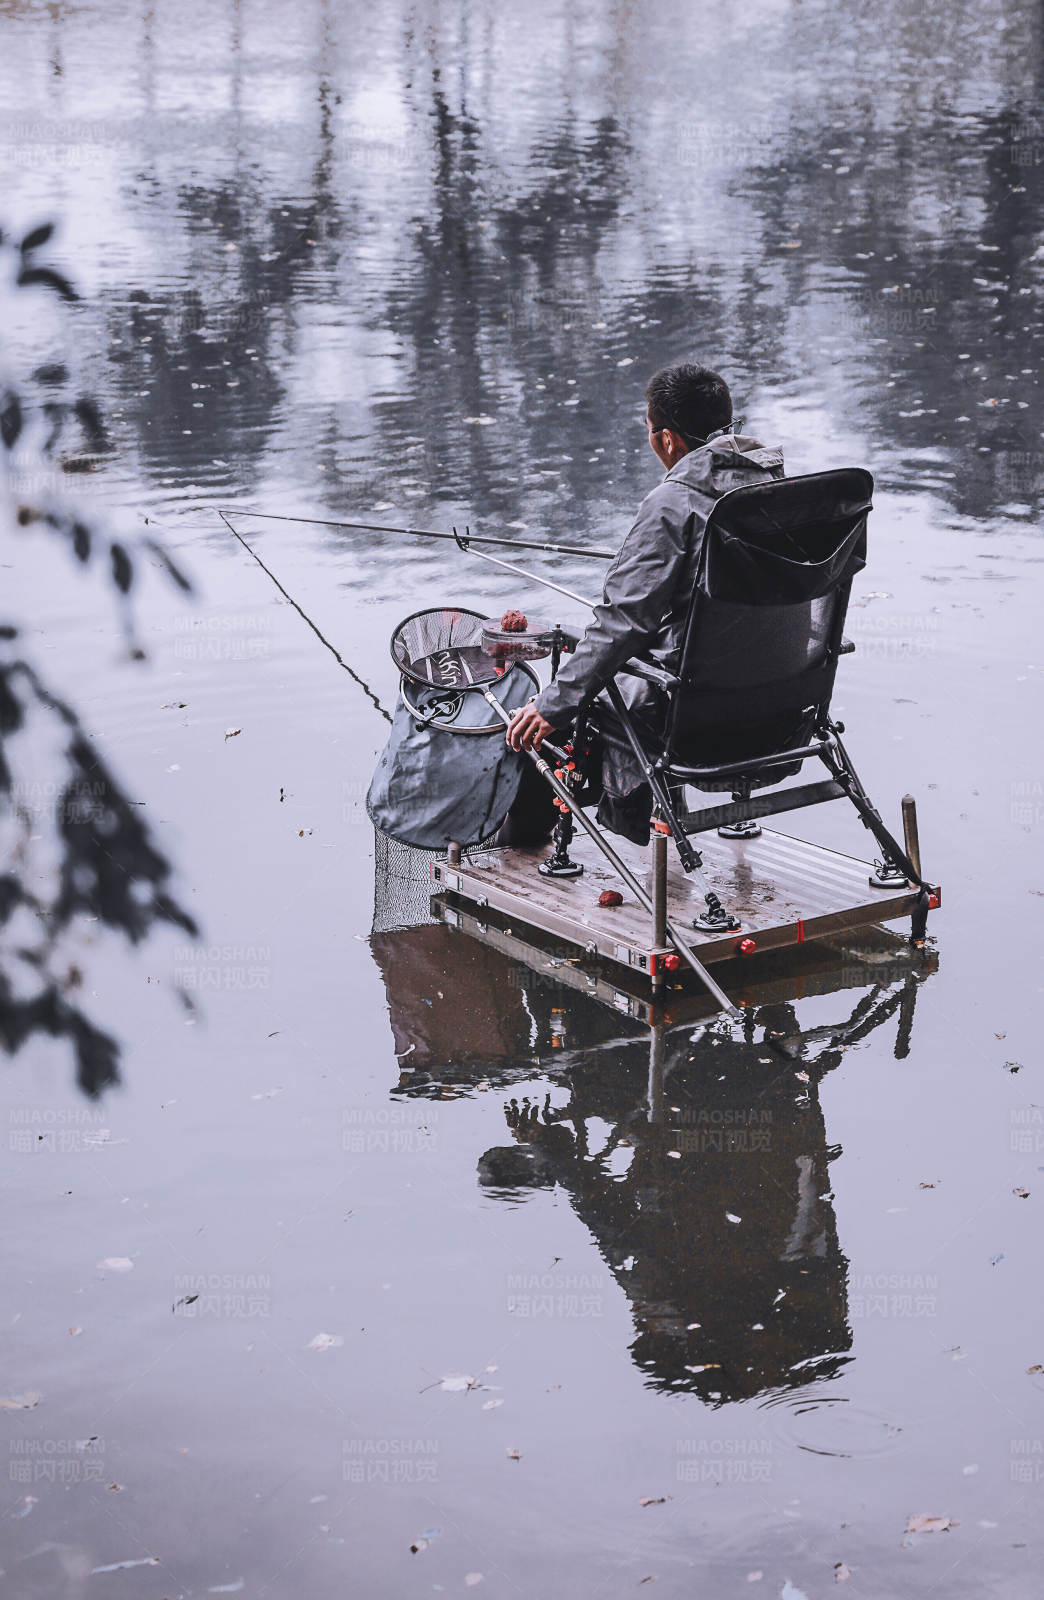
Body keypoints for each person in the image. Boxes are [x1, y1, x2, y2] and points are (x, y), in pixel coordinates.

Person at [502, 361, 784, 845]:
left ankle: (523, 857)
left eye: (651, 431)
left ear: (668, 440)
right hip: (782, 707)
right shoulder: (780, 489)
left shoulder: (672, 504)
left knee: (536, 727)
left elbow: (622, 622)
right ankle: (657, 820)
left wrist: (554, 704)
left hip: (691, 718)